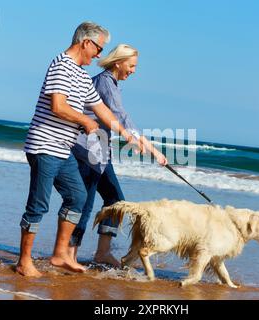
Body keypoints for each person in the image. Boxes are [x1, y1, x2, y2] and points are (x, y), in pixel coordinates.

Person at [16, 22, 138, 277]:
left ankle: (60, 255)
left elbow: (101, 109)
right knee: (38, 205)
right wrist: (84, 121)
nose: (99, 55)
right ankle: (23, 262)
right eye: (99, 48)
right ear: (85, 43)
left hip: (64, 150)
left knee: (78, 197)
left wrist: (126, 134)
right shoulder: (61, 66)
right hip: (44, 146)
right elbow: (58, 106)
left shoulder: (82, 76)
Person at [68, 44, 168, 267]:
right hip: (88, 151)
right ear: (118, 63)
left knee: (116, 202)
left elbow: (124, 121)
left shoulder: (110, 83)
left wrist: (154, 152)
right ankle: (69, 255)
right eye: (131, 66)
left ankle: (102, 253)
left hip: (101, 152)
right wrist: (153, 151)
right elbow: (122, 119)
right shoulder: (105, 83)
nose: (133, 70)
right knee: (85, 203)